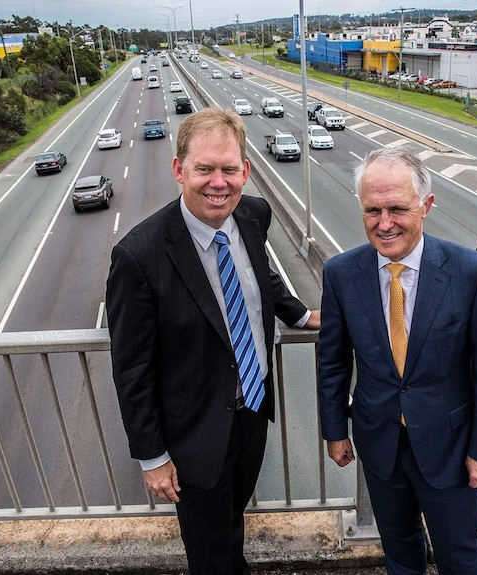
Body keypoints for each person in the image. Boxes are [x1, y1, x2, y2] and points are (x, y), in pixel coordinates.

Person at [106, 108, 320, 575]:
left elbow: (261, 275)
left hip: (252, 416)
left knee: (230, 522)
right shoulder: (138, 256)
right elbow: (131, 369)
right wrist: (153, 457)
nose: (217, 182)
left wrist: (300, 314)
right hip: (193, 436)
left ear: (245, 170)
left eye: (228, 169)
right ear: (178, 169)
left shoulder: (253, 214)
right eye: (204, 169)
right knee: (208, 552)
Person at [317, 148, 477, 575]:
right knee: (399, 554)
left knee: (459, 558)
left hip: (451, 450)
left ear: (426, 205)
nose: (384, 224)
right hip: (380, 445)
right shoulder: (341, 274)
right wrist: (335, 431)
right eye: (372, 210)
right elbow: (331, 362)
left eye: (397, 209)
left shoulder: (472, 272)